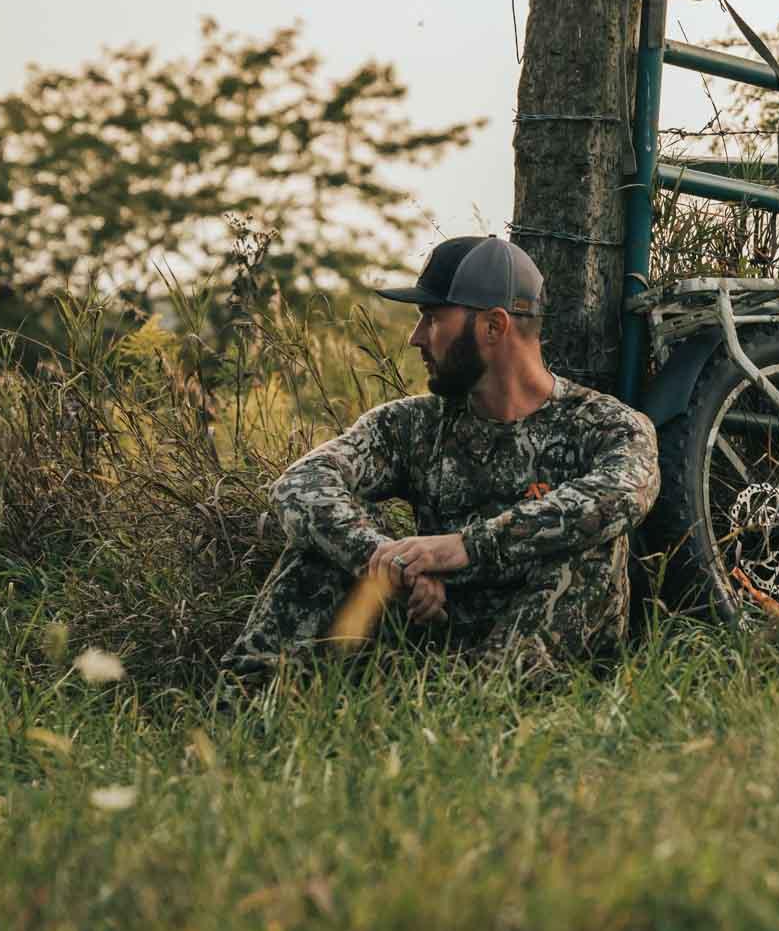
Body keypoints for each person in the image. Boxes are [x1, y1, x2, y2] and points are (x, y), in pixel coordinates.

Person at [221, 235, 659, 678]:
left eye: (431, 319)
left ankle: (497, 703)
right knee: (315, 550)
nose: (415, 338)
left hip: (540, 654)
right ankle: (249, 704)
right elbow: (298, 484)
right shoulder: (413, 424)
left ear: (493, 326)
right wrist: (391, 560)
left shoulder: (605, 424)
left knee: (590, 544)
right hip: (432, 640)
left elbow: (624, 494)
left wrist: (465, 548)